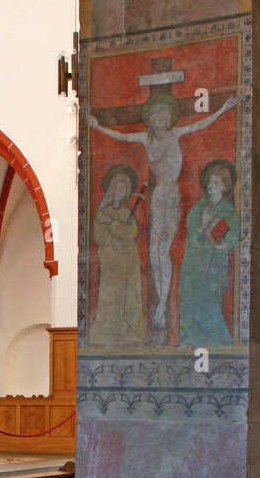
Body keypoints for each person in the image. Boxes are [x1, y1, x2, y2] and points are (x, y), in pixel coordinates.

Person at [88, 89, 239, 329]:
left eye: (165, 116)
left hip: (172, 196)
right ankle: (160, 300)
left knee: (164, 249)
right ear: (150, 119)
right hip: (158, 196)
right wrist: (97, 127)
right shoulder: (144, 138)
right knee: (153, 250)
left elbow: (200, 124)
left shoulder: (176, 133)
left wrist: (222, 110)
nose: (161, 120)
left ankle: (162, 305)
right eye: (157, 116)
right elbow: (121, 136)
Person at [178, 160, 240, 346]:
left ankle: (217, 338)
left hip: (212, 262)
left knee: (209, 298)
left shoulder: (227, 208)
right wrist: (200, 231)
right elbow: (190, 221)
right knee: (189, 295)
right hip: (194, 259)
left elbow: (235, 231)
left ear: (225, 187)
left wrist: (223, 244)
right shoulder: (201, 204)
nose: (212, 186)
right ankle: (189, 337)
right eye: (210, 182)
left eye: (217, 183)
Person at [89, 165, 145, 346]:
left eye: (124, 189)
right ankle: (105, 335)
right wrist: (118, 230)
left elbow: (131, 233)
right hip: (111, 264)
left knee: (128, 297)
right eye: (118, 188)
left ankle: (128, 335)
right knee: (110, 297)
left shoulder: (125, 213)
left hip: (128, 263)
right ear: (112, 189)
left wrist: (113, 225)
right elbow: (101, 237)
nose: (120, 192)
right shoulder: (102, 213)